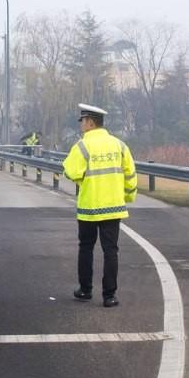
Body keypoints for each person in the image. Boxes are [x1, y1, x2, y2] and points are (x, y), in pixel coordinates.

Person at [63, 104, 137, 307]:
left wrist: (83, 178)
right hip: (114, 207)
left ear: (90, 123)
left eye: (83, 121)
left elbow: (70, 172)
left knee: (86, 248)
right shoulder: (120, 146)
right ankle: (109, 296)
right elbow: (130, 176)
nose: (81, 125)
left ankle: (85, 290)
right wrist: (127, 197)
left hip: (89, 207)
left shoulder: (82, 147)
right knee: (111, 250)